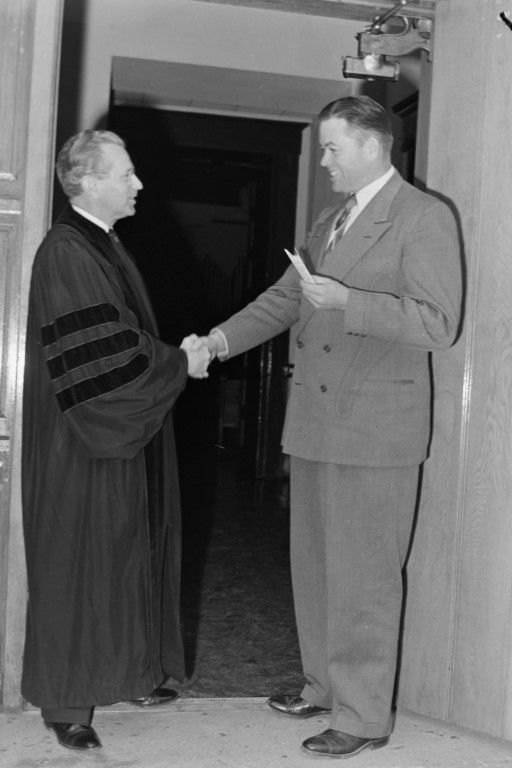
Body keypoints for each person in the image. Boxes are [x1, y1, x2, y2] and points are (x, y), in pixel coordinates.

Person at [204, 96, 462, 759]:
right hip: (317, 422)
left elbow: (439, 323)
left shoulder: (423, 217)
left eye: (332, 147)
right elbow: (286, 298)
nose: (323, 161)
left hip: (376, 430)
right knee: (317, 569)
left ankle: (364, 716)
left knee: (365, 579)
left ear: (372, 146)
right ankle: (323, 687)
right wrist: (219, 341)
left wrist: (350, 301)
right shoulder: (330, 219)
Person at [21, 130, 210, 751]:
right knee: (79, 566)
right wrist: (180, 362)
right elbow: (106, 360)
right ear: (87, 181)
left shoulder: (102, 243)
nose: (139, 183)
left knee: (127, 559)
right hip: (82, 443)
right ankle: (66, 703)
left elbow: (118, 345)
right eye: (126, 174)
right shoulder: (67, 251)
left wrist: (171, 361)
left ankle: (128, 673)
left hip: (119, 439)